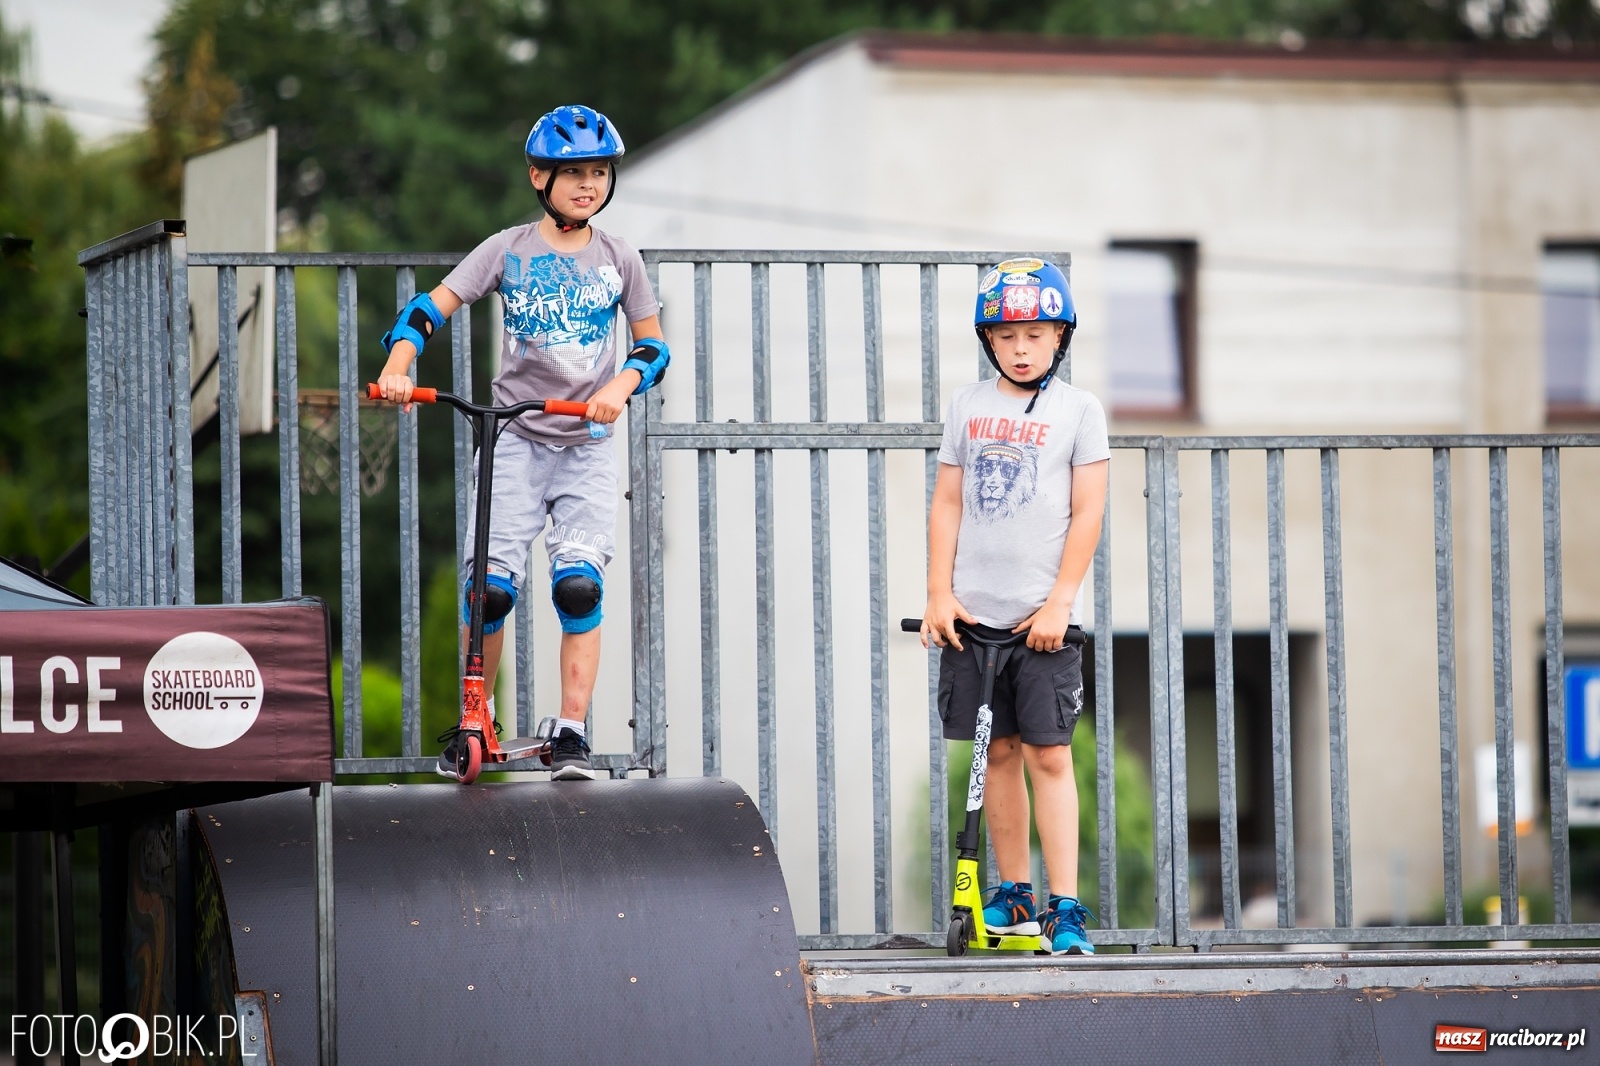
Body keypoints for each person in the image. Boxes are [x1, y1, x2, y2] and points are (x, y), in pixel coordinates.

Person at [374, 104, 669, 781]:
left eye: (598, 173)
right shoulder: (508, 250)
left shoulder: (620, 256)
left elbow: (653, 347)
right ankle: (475, 718)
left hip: (587, 443)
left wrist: (620, 386)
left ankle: (570, 731)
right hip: (513, 437)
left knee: (577, 588)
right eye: (572, 174)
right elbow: (430, 307)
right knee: (490, 592)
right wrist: (398, 365)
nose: (588, 185)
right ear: (539, 177)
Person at [920, 257, 1109, 954]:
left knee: (1048, 757)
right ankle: (1015, 896)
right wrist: (940, 592)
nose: (1021, 348)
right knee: (992, 755)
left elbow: (1088, 513)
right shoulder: (969, 406)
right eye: (1007, 337)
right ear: (988, 340)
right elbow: (946, 502)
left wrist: (1061, 600)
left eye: (1035, 334)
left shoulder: (1079, 411)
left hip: (1042, 623)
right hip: (973, 620)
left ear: (1060, 337)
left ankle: (1065, 907)